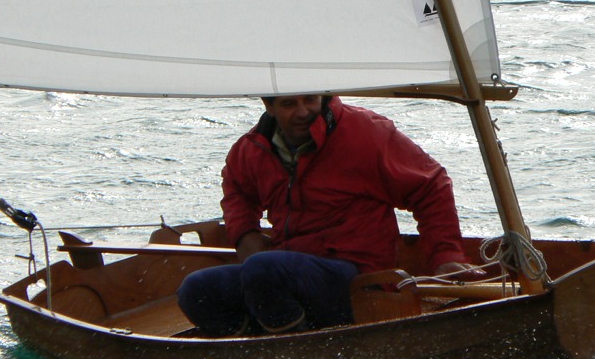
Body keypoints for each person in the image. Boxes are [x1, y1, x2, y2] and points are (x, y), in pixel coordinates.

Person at [176, 94, 475, 337]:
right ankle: (253, 350)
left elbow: (430, 185)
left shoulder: (366, 131)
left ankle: (293, 356)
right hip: (285, 272)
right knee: (196, 289)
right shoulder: (251, 148)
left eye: (310, 100)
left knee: (263, 270)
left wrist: (445, 253)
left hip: (358, 276)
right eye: (289, 104)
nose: (304, 111)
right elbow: (237, 190)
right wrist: (245, 235)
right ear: (269, 107)